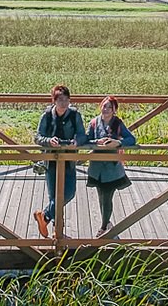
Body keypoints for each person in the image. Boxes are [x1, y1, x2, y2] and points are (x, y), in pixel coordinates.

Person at [33, 84, 87, 238]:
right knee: (55, 197)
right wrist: (50, 141)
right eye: (60, 100)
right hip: (51, 160)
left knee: (68, 193)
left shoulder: (75, 115)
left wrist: (77, 141)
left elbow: (83, 135)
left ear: (70, 100)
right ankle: (58, 233)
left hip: (69, 160)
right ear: (54, 101)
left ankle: (44, 216)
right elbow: (38, 137)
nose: (63, 103)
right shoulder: (47, 116)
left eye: (66, 99)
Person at [85, 95, 136, 237]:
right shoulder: (94, 122)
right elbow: (86, 140)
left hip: (112, 168)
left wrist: (117, 143)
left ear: (114, 110)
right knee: (101, 196)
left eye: (109, 107)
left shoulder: (118, 123)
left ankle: (103, 228)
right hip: (96, 168)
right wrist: (96, 142)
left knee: (107, 196)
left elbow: (131, 139)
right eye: (104, 106)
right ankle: (107, 223)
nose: (106, 109)